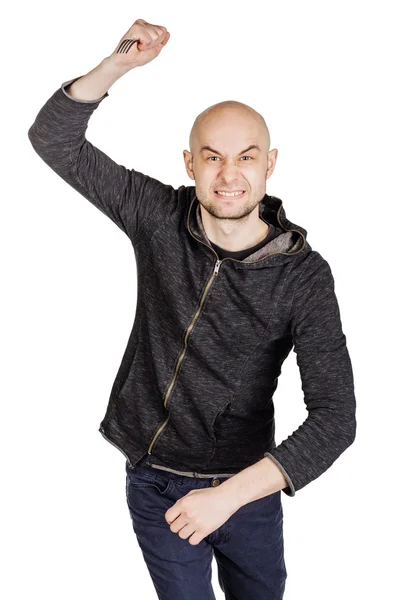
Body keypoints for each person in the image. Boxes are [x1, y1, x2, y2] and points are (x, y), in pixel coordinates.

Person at [27, 17, 357, 600]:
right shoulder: (158, 217)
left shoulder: (305, 276)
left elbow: (336, 418)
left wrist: (229, 495)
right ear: (189, 164)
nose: (230, 175)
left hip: (246, 487)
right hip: (156, 482)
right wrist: (118, 64)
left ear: (270, 165)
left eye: (247, 158)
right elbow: (53, 139)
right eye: (212, 158)